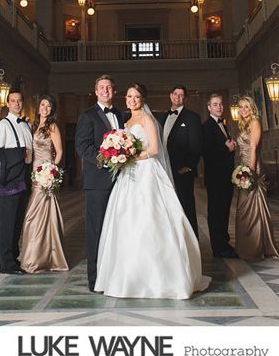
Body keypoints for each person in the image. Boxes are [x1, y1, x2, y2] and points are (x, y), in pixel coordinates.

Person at [94, 82, 210, 299]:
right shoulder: (125, 122)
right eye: (129, 96)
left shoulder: (147, 119)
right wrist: (119, 157)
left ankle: (162, 277)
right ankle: (127, 276)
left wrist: (129, 157)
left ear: (143, 99)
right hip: (128, 177)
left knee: (151, 219)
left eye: (137, 97)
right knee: (126, 221)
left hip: (147, 173)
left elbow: (155, 149)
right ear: (125, 99)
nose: (132, 100)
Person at [74, 75, 124, 292]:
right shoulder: (87, 115)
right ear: (95, 92)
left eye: (109, 87)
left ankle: (115, 275)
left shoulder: (121, 115)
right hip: (97, 182)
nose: (105, 91)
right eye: (101, 88)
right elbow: (82, 146)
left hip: (122, 181)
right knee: (96, 229)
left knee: (118, 229)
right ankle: (95, 279)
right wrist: (105, 159)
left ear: (114, 91)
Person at [19, 94, 69, 273]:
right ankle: (36, 254)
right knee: (35, 215)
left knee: (34, 215)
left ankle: (37, 258)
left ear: (52, 109)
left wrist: (52, 172)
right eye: (42, 105)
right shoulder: (32, 125)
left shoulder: (52, 126)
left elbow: (60, 151)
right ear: (38, 107)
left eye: (48, 106)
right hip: (33, 173)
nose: (45, 108)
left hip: (45, 174)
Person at [0, 90, 32, 274]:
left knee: (17, 221)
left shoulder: (25, 125)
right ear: (7, 104)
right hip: (9, 180)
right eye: (13, 101)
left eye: (19, 101)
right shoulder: (2, 125)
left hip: (23, 177)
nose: (16, 104)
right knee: (7, 222)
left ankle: (13, 258)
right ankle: (6, 263)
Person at [234, 96, 279, 261]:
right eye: (241, 107)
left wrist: (250, 172)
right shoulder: (243, 124)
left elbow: (253, 149)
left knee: (253, 207)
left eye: (246, 107)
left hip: (252, 168)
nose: (243, 110)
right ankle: (247, 245)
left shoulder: (255, 123)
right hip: (243, 167)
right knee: (243, 209)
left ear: (252, 108)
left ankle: (257, 247)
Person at [156, 85, 203, 236]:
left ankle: (192, 243)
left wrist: (189, 166)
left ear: (185, 99)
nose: (178, 97)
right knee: (167, 207)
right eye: (175, 94)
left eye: (181, 95)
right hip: (163, 169)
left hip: (182, 170)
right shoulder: (162, 117)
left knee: (186, 206)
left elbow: (196, 144)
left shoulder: (192, 117)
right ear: (171, 96)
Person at [201, 93, 237, 258]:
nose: (219, 107)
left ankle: (224, 242)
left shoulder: (222, 124)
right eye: (215, 104)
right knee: (216, 212)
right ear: (209, 107)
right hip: (216, 177)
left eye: (221, 104)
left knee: (224, 211)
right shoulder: (207, 126)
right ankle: (219, 247)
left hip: (225, 176)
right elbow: (207, 152)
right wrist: (227, 149)